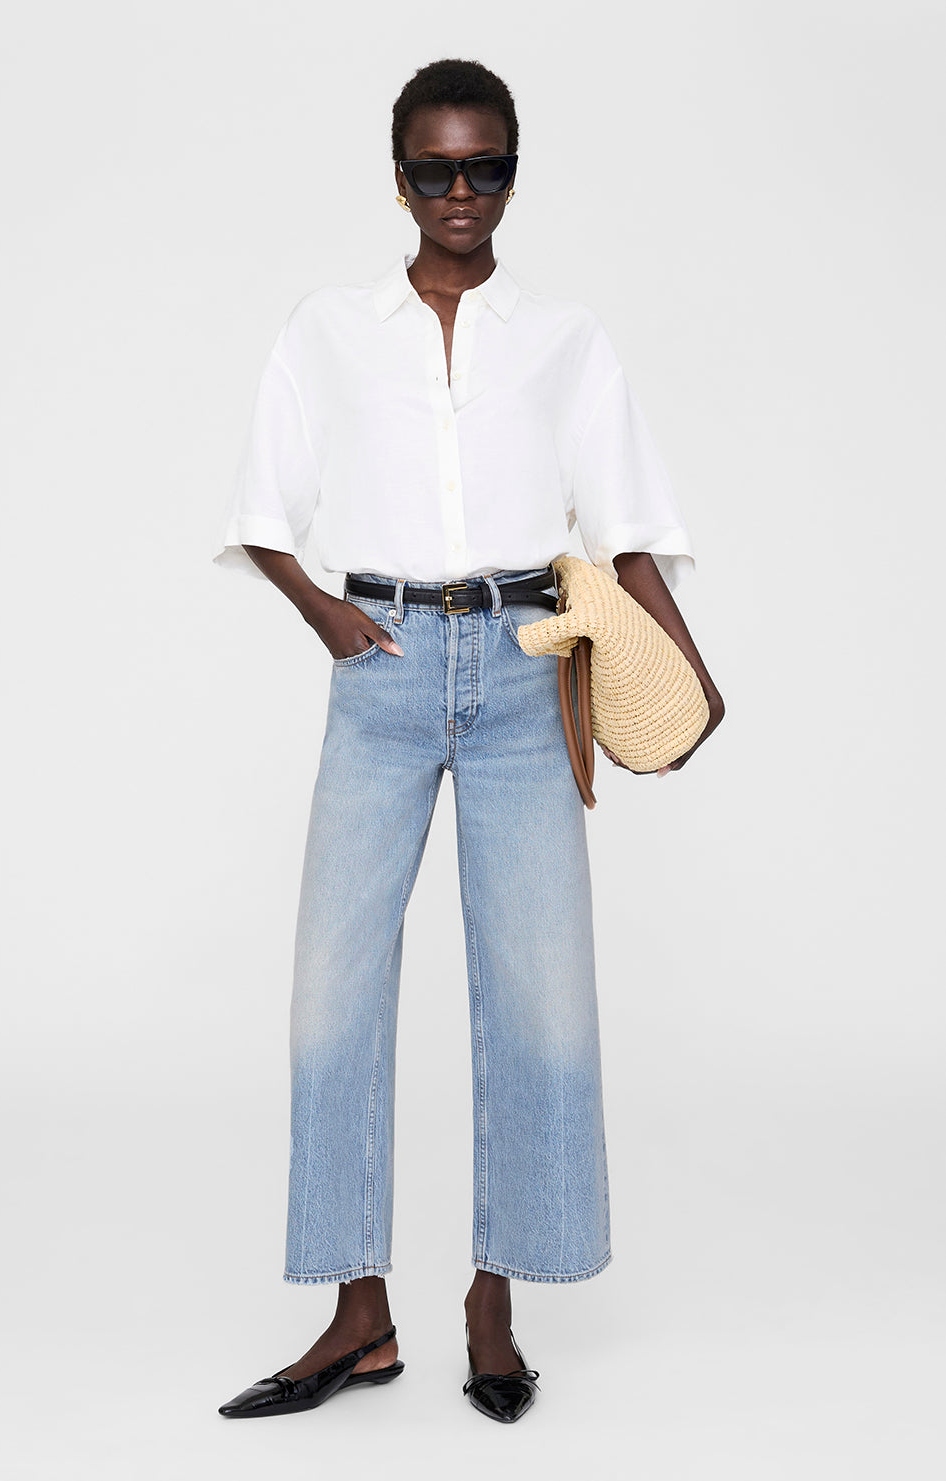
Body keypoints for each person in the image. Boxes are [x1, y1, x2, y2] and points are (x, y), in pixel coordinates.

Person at [211, 57, 724, 1426]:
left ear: (510, 173)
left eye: (484, 166)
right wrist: (325, 613)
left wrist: (692, 674)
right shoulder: (329, 329)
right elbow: (262, 507)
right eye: (433, 168)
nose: (459, 190)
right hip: (379, 669)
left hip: (521, 666)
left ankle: (493, 1305)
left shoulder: (566, 339)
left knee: (541, 1003)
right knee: (332, 1002)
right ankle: (357, 1316)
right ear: (398, 178)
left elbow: (627, 525)